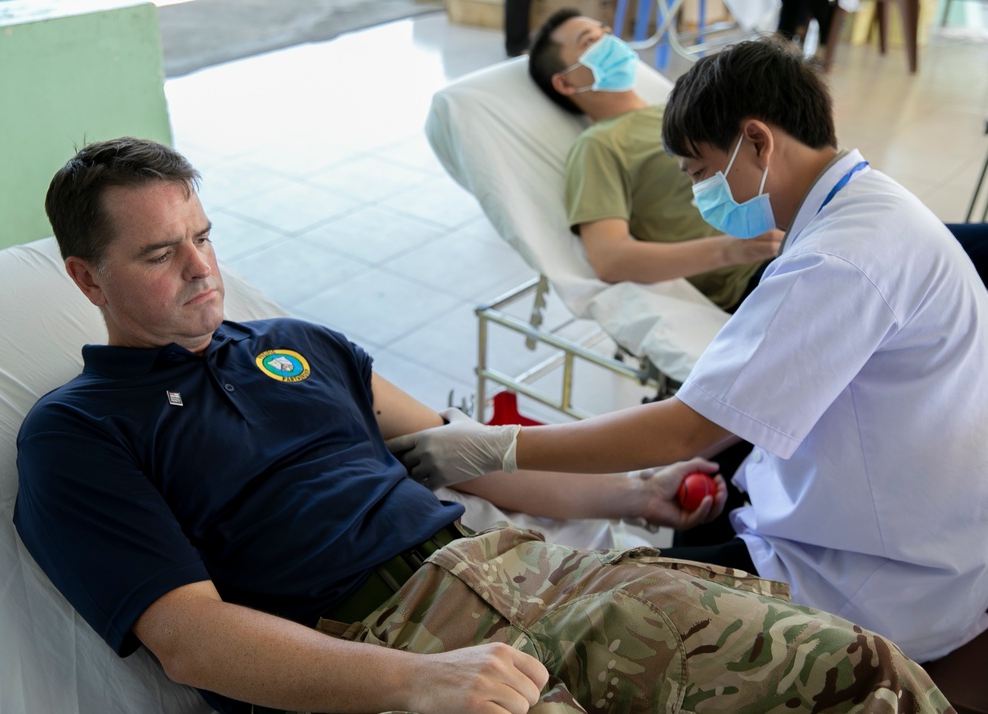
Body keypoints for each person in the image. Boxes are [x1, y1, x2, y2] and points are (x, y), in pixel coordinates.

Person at [11, 137, 952, 714]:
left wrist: (634, 494)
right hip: (375, 645)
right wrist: (415, 684)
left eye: (205, 237)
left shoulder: (295, 344)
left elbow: (475, 460)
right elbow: (192, 639)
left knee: (856, 669)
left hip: (525, 572)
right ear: (87, 280)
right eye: (160, 253)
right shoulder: (79, 435)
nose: (202, 269)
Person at [389, 37, 988, 665]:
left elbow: (683, 431)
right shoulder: (869, 207)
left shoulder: (836, 262)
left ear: (757, 141)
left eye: (701, 172)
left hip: (876, 585)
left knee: (586, 623)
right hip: (911, 538)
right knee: (626, 573)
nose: (701, 194)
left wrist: (495, 446)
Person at [528, 9, 783, 313]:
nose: (609, 41)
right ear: (566, 84)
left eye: (605, 32)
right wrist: (736, 249)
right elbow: (609, 259)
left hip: (795, 233)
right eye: (590, 41)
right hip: (754, 277)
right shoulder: (599, 146)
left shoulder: (676, 109)